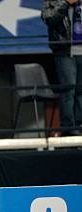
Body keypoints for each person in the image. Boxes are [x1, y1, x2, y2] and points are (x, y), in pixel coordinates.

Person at [42, 0, 82, 135]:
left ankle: (79, 124)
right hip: (65, 49)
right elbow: (47, 17)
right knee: (68, 90)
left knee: (81, 91)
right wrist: (65, 2)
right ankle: (68, 128)